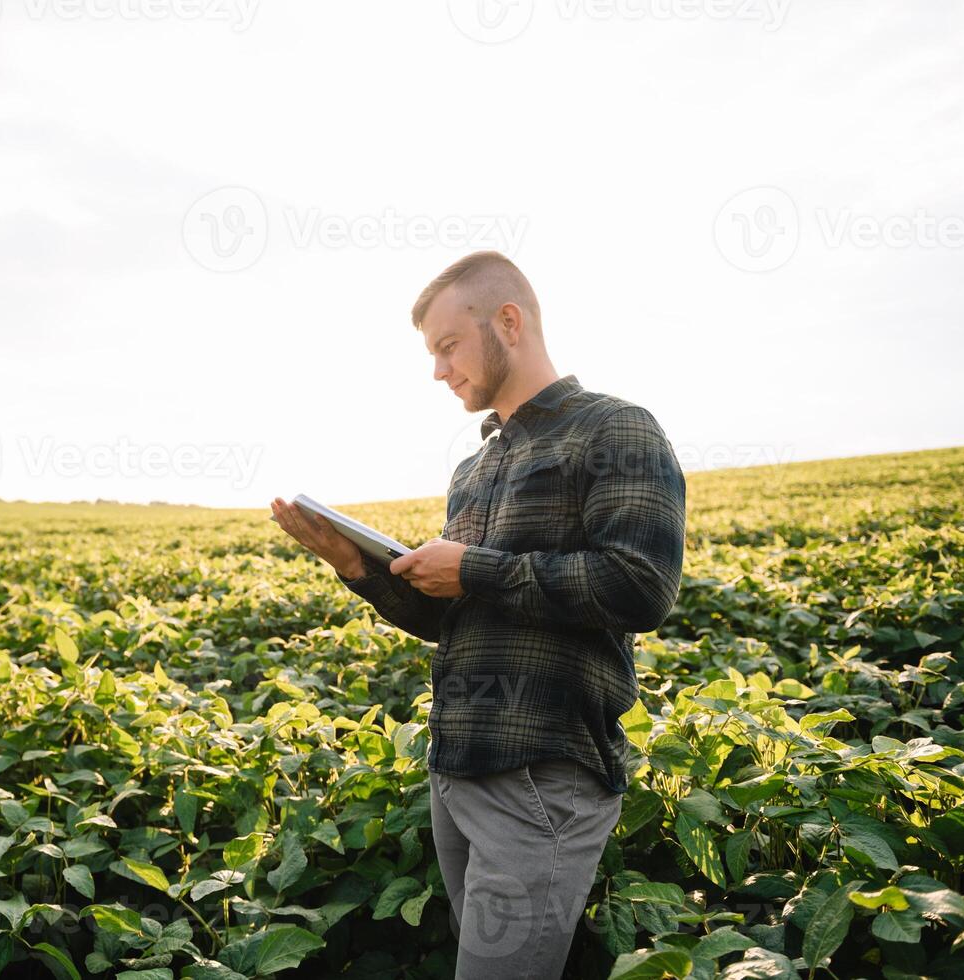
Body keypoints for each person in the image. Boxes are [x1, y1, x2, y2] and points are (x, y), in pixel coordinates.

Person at [269, 250, 687, 979]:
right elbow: (452, 619)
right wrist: (355, 566)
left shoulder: (615, 430)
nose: (439, 371)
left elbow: (640, 585)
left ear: (509, 321)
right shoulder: (476, 467)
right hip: (456, 769)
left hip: (543, 771)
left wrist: (474, 567)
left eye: (447, 346)